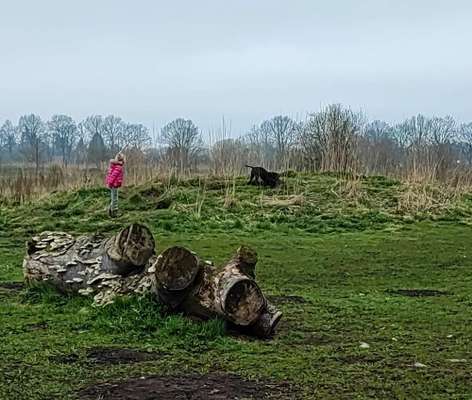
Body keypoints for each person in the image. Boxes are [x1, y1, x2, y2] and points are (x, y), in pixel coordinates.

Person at [105, 153, 125, 217]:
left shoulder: (115, 165)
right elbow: (113, 176)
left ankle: (110, 210)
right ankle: (114, 213)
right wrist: (110, 184)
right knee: (115, 199)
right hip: (114, 185)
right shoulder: (118, 167)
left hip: (114, 185)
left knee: (113, 198)